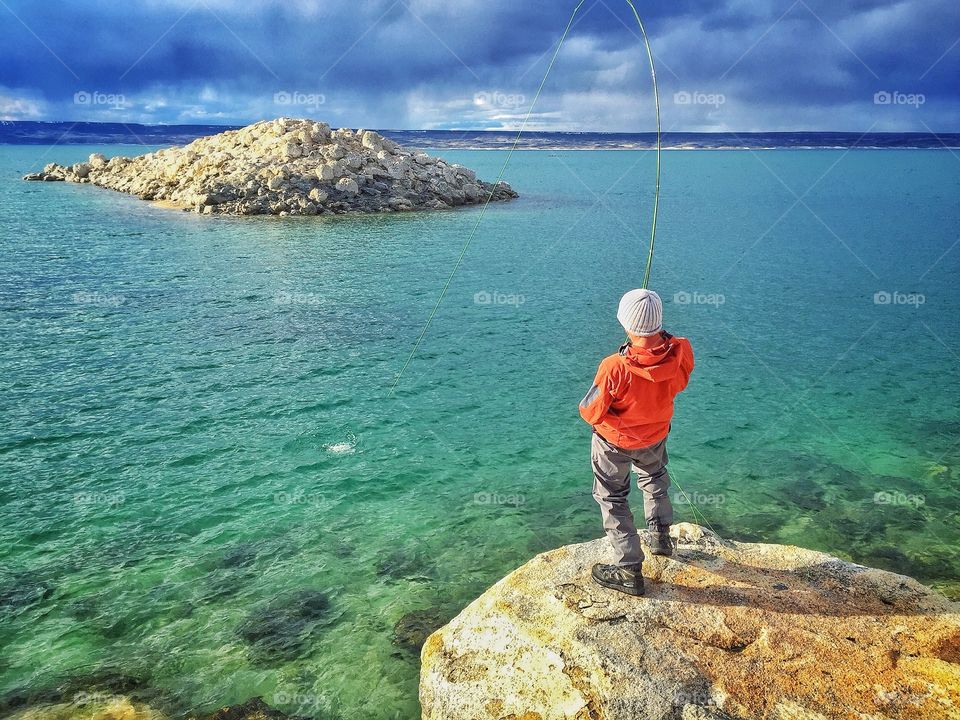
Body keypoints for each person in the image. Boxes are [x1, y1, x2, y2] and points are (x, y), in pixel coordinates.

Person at [578, 289, 694, 596]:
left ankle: (629, 569)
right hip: (655, 435)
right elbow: (680, 382)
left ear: (625, 324)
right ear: (659, 322)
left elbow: (591, 411)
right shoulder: (680, 350)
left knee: (612, 497)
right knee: (654, 479)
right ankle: (660, 537)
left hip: (614, 442)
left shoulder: (614, 366)